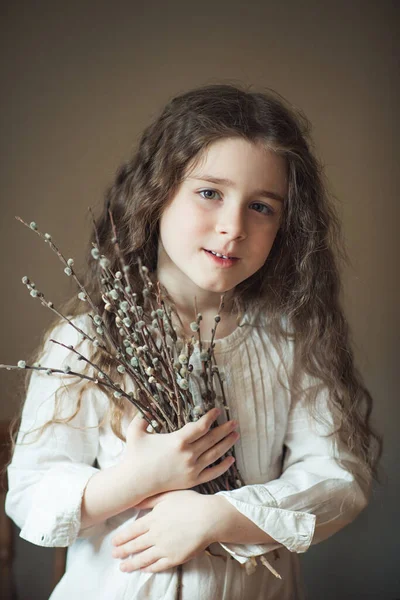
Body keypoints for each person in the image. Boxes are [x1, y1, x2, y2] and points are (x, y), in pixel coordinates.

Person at [5, 83, 381, 600]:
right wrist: (138, 478)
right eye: (210, 193)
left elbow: (338, 480)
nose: (232, 227)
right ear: (158, 194)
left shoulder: (291, 343)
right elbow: (30, 493)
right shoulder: (89, 340)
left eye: (262, 207)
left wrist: (217, 516)